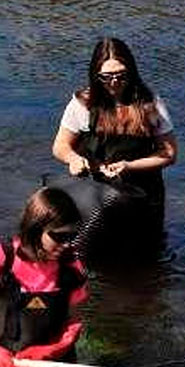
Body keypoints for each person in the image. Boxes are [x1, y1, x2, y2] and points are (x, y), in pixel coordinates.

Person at [52, 37, 177, 257]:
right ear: (96, 74)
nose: (115, 82)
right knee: (89, 255)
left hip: (142, 195)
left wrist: (129, 166)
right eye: (107, 77)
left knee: (145, 256)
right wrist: (73, 159)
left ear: (131, 71)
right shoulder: (82, 104)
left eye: (121, 74)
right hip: (94, 193)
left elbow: (168, 153)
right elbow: (60, 146)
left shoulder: (150, 103)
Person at [0, 187, 88, 367]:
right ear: (35, 228)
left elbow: (74, 323)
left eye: (72, 236)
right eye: (58, 236)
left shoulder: (71, 270)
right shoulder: (4, 259)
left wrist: (46, 353)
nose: (67, 244)